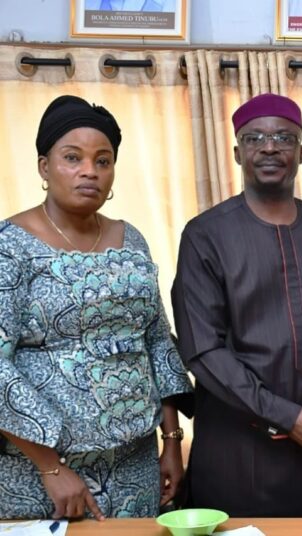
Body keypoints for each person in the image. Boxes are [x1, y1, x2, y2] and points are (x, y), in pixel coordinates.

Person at [0, 95, 193, 519]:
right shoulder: (9, 246)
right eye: (73, 157)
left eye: (103, 161)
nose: (90, 171)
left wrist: (172, 441)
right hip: (41, 471)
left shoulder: (131, 239)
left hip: (135, 464)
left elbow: (157, 342)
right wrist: (50, 466)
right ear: (44, 166)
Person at [171, 93, 302, 517]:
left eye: (284, 138)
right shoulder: (205, 235)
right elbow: (203, 350)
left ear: (301, 152)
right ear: (238, 152)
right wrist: (287, 416)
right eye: (255, 137)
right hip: (240, 457)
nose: (270, 147)